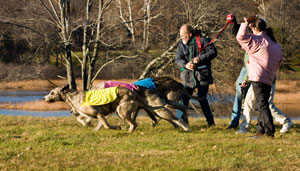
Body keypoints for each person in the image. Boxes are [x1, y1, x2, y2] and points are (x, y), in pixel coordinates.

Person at [236, 15, 283, 138]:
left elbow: (240, 37)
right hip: (269, 77)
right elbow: (280, 59)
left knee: (261, 105)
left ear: (256, 29)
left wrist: (245, 23)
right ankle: (260, 131)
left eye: (252, 29)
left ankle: (269, 131)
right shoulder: (275, 43)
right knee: (263, 104)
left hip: (258, 77)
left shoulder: (257, 40)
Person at [175, 24, 217, 126]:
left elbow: (213, 52)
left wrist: (200, 59)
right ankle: (180, 122)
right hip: (188, 76)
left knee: (202, 98)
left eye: (183, 35)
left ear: (190, 34)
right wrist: (185, 65)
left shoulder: (202, 40)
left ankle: (211, 123)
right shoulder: (181, 44)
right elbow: (178, 59)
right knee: (184, 98)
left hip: (202, 75)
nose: (181, 37)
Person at [227, 15, 250, 130]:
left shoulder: (259, 34)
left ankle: (264, 123)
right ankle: (234, 123)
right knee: (239, 89)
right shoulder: (246, 29)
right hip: (247, 65)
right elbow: (238, 33)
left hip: (256, 67)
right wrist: (233, 23)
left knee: (261, 99)